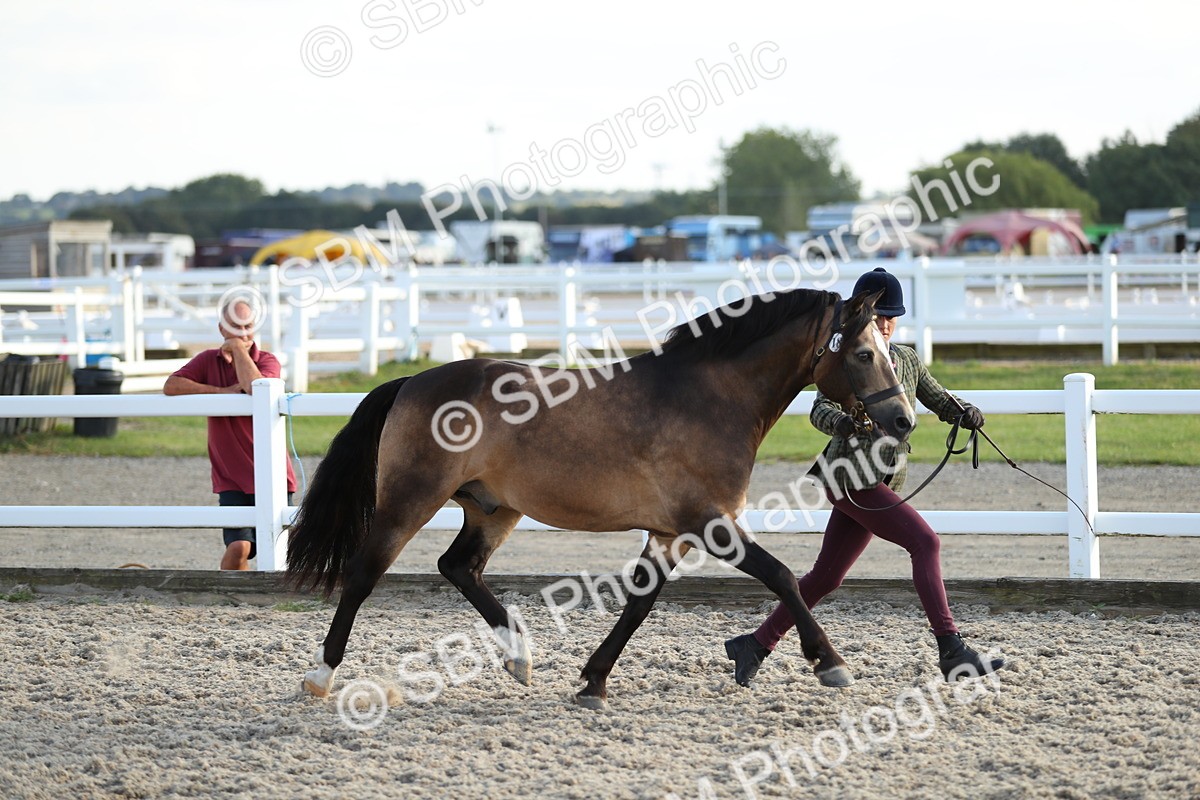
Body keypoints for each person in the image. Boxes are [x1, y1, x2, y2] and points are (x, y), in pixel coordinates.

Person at [725, 267, 1004, 686]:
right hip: (851, 477)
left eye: (892, 316)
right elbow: (820, 409)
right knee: (925, 542)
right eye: (879, 316)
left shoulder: (906, 360)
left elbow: (936, 396)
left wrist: (964, 412)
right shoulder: (847, 360)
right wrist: (845, 424)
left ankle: (756, 644)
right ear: (862, 318)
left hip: (883, 481)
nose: (886, 323)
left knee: (826, 577)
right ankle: (951, 649)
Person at [164, 294, 296, 570]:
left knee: (279, 551)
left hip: (273, 475)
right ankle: (229, 597)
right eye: (236, 327)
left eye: (248, 326)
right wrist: (220, 393)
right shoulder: (207, 361)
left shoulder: (267, 360)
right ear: (222, 328)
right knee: (238, 547)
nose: (243, 333)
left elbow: (255, 387)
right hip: (231, 478)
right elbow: (172, 386)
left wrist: (238, 351)